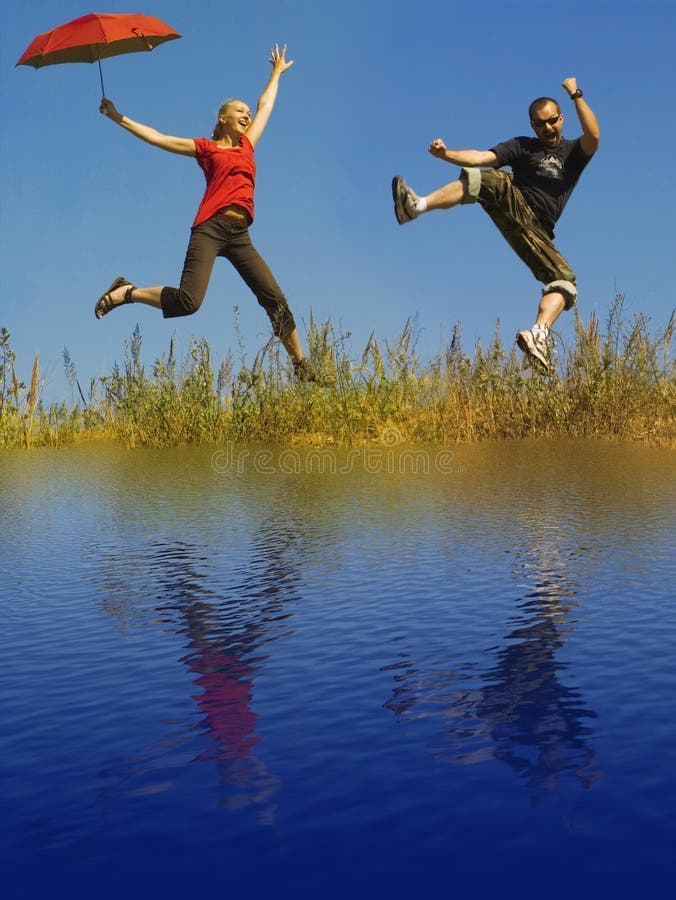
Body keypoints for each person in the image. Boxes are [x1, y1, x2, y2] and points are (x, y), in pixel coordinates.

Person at [96, 44, 325, 383]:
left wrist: (276, 72)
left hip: (240, 235)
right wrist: (117, 116)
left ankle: (302, 368)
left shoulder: (248, 144)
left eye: (247, 111)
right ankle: (127, 292)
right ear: (223, 118)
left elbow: (266, 105)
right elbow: (159, 138)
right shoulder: (206, 149)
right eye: (239, 111)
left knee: (274, 298)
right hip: (210, 229)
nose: (246, 114)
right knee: (189, 301)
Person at [391, 78, 600, 370]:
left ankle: (539, 334)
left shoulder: (573, 154)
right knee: (490, 178)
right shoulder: (522, 147)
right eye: (541, 125)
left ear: (561, 118)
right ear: (533, 127)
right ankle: (416, 205)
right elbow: (482, 157)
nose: (548, 129)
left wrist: (576, 95)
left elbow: (593, 135)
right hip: (516, 204)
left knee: (565, 282)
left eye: (552, 121)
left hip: (537, 231)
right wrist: (446, 155)